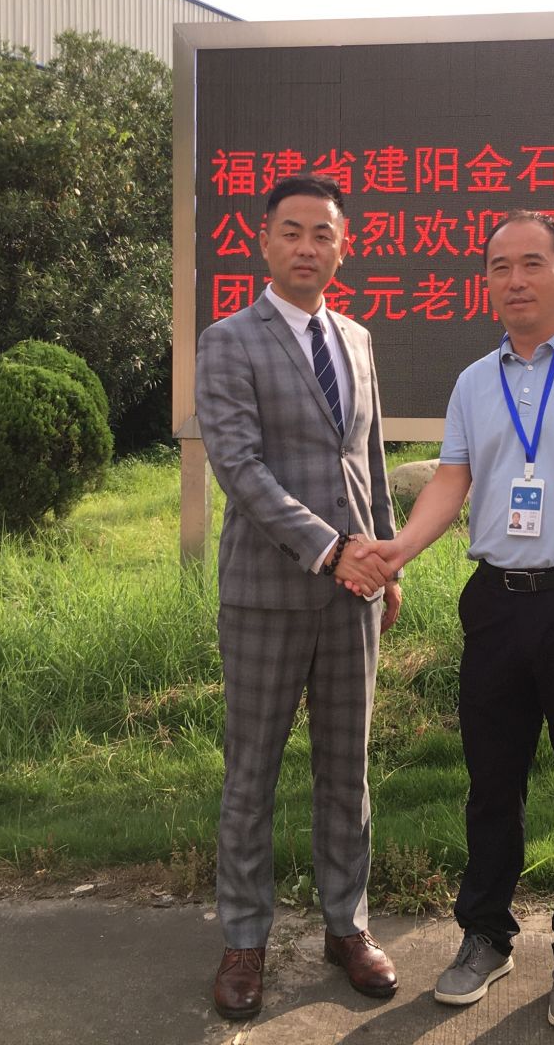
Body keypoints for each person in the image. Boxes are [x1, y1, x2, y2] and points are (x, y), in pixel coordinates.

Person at [346, 210, 554, 1031]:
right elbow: (451, 481)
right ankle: (485, 935)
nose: (515, 280)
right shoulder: (474, 381)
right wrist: (398, 549)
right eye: (499, 267)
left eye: (531, 263)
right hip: (495, 603)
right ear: (485, 282)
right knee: (492, 783)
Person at [194, 173, 401, 1020]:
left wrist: (386, 559)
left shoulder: (356, 338)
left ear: (341, 248)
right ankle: (245, 940)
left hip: (354, 596)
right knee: (253, 773)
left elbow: (370, 459)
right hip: (266, 595)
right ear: (264, 242)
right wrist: (332, 549)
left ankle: (346, 927)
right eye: (293, 231)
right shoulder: (228, 341)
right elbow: (240, 468)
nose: (308, 247)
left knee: (347, 769)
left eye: (323, 234)